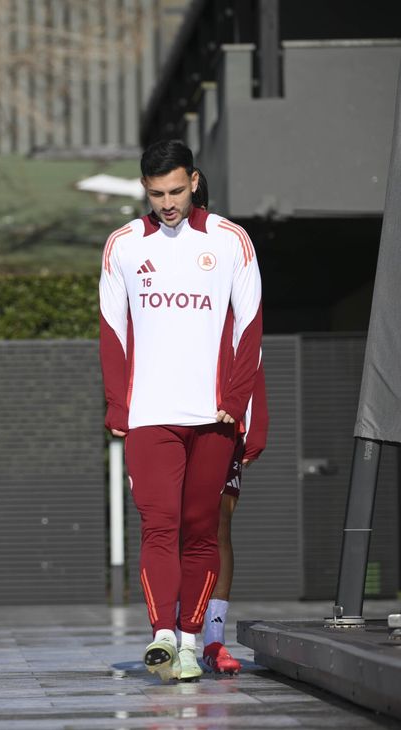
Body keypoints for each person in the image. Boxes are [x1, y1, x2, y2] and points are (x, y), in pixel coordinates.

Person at [99, 141, 262, 681]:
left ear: (193, 180)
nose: (167, 203)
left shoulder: (232, 239)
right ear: (144, 190)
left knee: (201, 530)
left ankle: (193, 641)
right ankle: (163, 634)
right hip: (149, 415)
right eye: (155, 194)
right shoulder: (122, 244)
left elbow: (249, 328)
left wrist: (235, 403)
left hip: (213, 415)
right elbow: (112, 330)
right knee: (158, 526)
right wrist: (118, 405)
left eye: (175, 191)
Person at [190, 170, 269, 676]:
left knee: (218, 523)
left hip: (226, 411)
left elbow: (250, 337)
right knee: (177, 525)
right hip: (173, 411)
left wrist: (250, 415)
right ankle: (176, 632)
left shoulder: (233, 255)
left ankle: (213, 639)